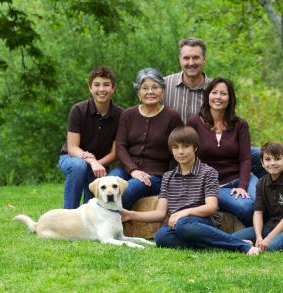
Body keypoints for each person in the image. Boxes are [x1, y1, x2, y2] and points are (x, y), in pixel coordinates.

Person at [121, 126, 260, 255]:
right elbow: (160, 213)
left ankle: (242, 246)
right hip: (179, 225)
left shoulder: (208, 172)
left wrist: (182, 213)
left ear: (195, 148)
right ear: (171, 150)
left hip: (201, 222)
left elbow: (211, 207)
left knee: (184, 224)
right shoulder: (168, 177)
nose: (180, 152)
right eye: (176, 148)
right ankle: (225, 244)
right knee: (161, 237)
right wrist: (131, 215)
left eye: (185, 146)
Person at [163, 37, 266, 178]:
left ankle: (269, 193)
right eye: (186, 58)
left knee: (263, 155)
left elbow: (228, 119)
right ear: (180, 59)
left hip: (212, 147)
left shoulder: (215, 90)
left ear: (204, 59)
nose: (191, 63)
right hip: (177, 149)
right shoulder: (164, 85)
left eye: (196, 58)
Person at [188, 77, 258, 227]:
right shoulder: (194, 123)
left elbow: (245, 158)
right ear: (208, 95)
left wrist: (242, 185)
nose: (218, 97)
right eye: (214, 92)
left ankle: (281, 231)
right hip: (215, 186)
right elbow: (187, 158)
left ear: (230, 98)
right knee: (246, 207)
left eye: (223, 93)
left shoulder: (240, 125)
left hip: (240, 178)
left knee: (262, 202)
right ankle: (258, 236)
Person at [109, 68, 183, 210]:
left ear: (162, 91)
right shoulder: (128, 114)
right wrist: (133, 170)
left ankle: (109, 226)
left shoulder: (172, 116)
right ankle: (96, 224)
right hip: (127, 169)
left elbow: (181, 147)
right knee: (108, 183)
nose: (150, 92)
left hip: (156, 176)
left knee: (129, 189)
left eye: (155, 87)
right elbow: (120, 146)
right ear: (138, 93)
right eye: (145, 88)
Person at [59, 66, 124, 209]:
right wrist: (92, 162)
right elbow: (72, 147)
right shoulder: (78, 110)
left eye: (106, 85)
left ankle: (88, 224)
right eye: (97, 85)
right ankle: (69, 215)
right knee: (79, 166)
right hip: (72, 158)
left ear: (113, 88)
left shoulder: (120, 115)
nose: (101, 89)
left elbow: (115, 153)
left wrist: (97, 164)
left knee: (92, 205)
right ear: (90, 88)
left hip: (100, 163)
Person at [232, 142, 283, 252]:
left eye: (277, 159)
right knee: (233, 239)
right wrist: (259, 236)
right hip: (272, 225)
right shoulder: (261, 183)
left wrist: (268, 239)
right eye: (268, 159)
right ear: (262, 163)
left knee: (271, 246)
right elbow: (258, 212)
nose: (273, 163)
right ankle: (277, 242)